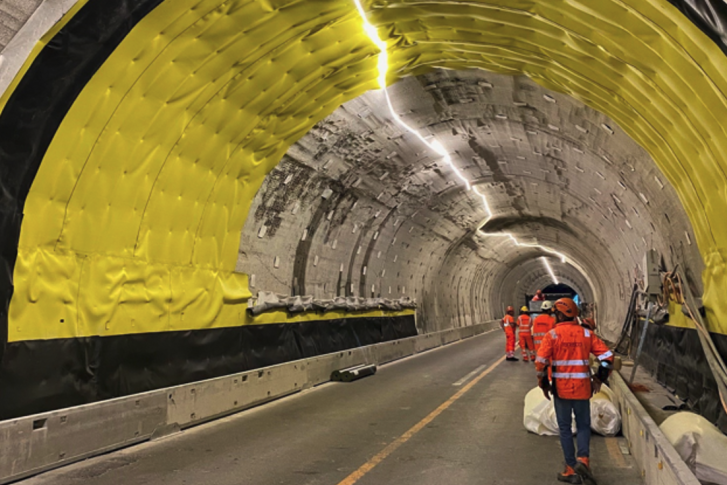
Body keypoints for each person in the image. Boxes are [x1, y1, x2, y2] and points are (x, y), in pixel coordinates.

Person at [535, 298, 614, 485]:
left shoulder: (552, 336)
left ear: (560, 314)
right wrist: (599, 378)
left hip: (561, 390)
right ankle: (584, 460)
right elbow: (607, 358)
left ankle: (570, 468)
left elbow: (540, 363)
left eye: (556, 313)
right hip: (583, 389)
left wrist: (544, 384)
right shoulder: (586, 335)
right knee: (584, 425)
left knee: (565, 429)